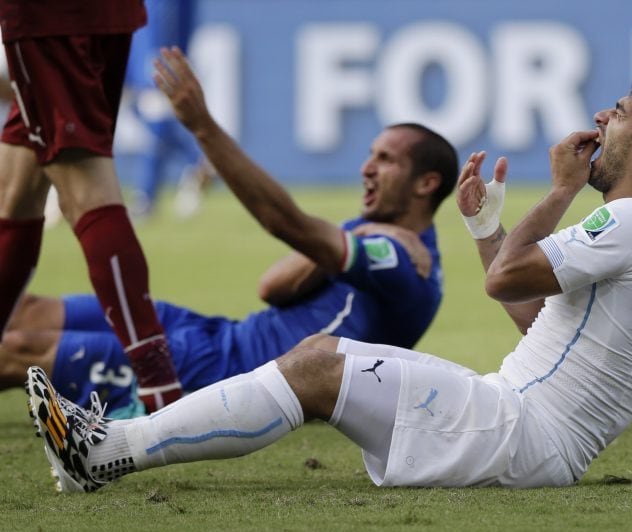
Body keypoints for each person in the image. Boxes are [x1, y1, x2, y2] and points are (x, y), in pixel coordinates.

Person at [26, 73, 632, 493]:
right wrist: (485, 229)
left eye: (621, 114)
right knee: (318, 364)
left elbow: (508, 278)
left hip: (521, 432)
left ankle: (106, 452)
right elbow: (536, 321)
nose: (602, 118)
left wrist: (562, 191)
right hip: (521, 423)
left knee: (317, 365)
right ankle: (106, 448)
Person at [4, 50, 458, 418]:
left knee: (21, 349)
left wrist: (202, 126)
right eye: (370, 154)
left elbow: (285, 224)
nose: (366, 168)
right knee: (24, 311)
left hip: (227, 373)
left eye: (385, 160)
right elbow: (272, 287)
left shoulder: (405, 260)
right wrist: (346, 238)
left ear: (426, 184)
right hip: (217, 334)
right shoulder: (371, 236)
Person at [0, 0, 182, 412]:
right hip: (110, 13)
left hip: (47, 19)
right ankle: (159, 386)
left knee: (85, 185)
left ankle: (160, 390)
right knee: (16, 187)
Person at [124, 0, 215, 219]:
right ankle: (196, 162)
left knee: (152, 110)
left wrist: (162, 58)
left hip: (149, 42)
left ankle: (147, 196)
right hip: (128, 34)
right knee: (142, 110)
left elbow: (169, 19)